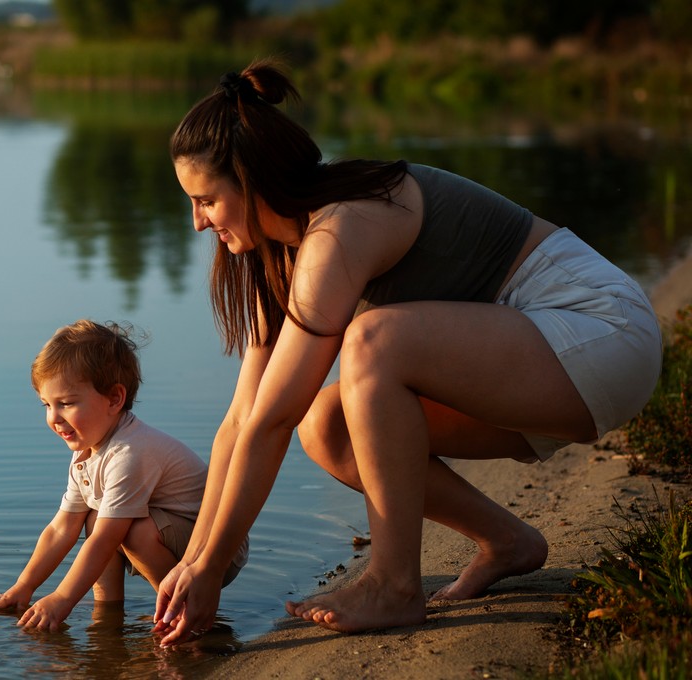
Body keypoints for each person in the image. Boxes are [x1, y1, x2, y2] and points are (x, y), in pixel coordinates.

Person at [151, 57, 662, 646]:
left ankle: (393, 586)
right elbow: (245, 417)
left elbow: (270, 422)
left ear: (253, 180)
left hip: (599, 332)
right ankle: (506, 540)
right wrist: (193, 561)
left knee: (373, 341)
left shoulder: (340, 228)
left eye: (206, 200)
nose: (196, 222)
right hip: (529, 365)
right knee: (327, 424)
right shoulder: (280, 257)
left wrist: (213, 570)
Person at [0, 319, 248, 631]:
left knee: (125, 530)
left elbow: (107, 540)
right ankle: (107, 617)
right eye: (46, 405)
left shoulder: (129, 453)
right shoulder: (86, 454)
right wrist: (23, 588)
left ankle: (182, 609)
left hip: (216, 553)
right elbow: (61, 530)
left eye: (66, 403)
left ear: (115, 399)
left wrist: (62, 598)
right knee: (93, 519)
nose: (54, 418)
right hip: (175, 536)